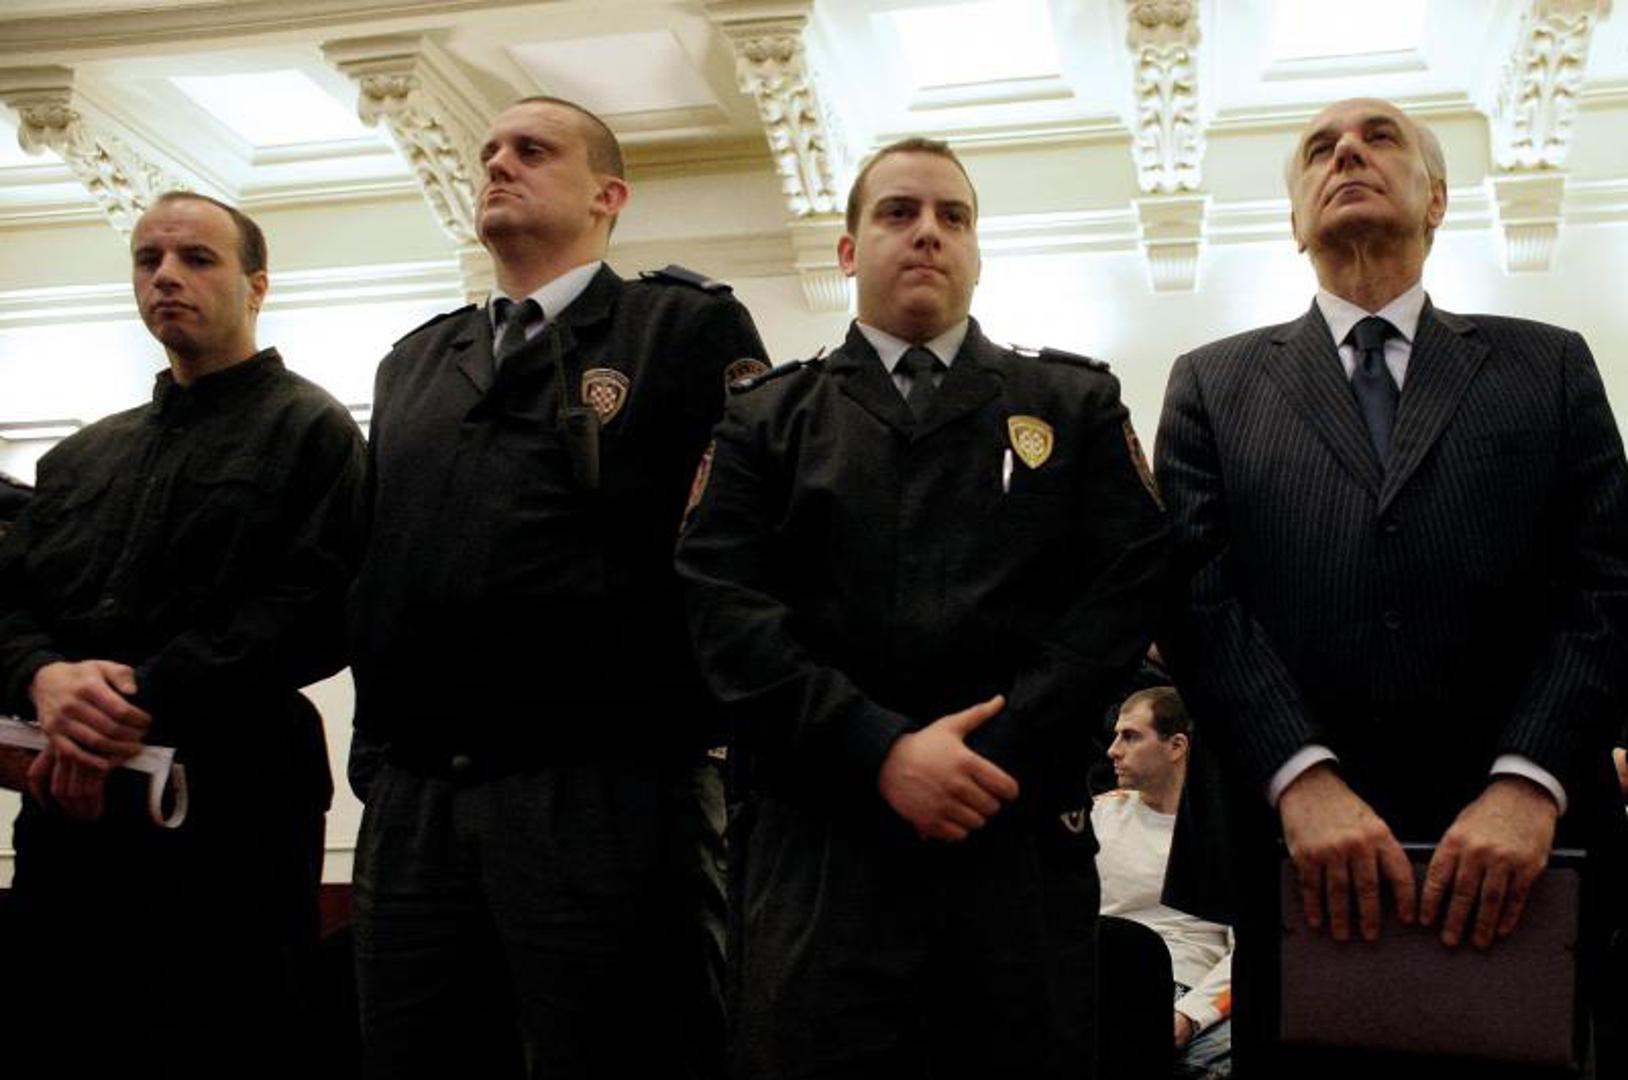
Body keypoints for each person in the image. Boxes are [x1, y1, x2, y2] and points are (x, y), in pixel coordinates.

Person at [677, 136, 1171, 1080]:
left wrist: (995, 750)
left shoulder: (1071, 403)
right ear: (848, 250)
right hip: (824, 841)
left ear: (978, 251)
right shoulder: (765, 419)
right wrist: (881, 750)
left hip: (1013, 830)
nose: (928, 233)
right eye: (898, 213)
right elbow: (723, 611)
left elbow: (1123, 595)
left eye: (954, 216)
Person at [1156, 97, 1628, 1076]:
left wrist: (1527, 780)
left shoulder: (1547, 364)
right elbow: (1198, 602)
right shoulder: (1210, 384)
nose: (1345, 154)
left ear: (1437, 199)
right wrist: (1300, 778)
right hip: (1294, 861)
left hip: (1525, 859)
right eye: (1318, 150)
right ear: (1294, 222)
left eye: (1378, 138)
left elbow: (1609, 583)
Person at [346, 94, 768, 1080]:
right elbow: (376, 564)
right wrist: (378, 760)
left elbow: (739, 550)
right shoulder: (415, 362)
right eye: (490, 151)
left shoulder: (681, 328)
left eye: (531, 151)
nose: (497, 164)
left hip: (605, 795)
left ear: (607, 196)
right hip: (419, 801)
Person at [0, 190, 366, 1078]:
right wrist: (43, 679)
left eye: (197, 259)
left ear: (256, 285)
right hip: (72, 806)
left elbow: (317, 607)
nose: (167, 276)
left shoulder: (311, 429)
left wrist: (129, 698)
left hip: (233, 808)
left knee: (228, 1040)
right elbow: (11, 603)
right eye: (148, 259)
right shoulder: (79, 457)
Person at [1094, 686, 1232, 1080]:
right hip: (1102, 980)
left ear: (1176, 746)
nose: (1113, 751)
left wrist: (1189, 1015)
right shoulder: (1098, 815)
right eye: (1116, 736)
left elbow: (1251, 954)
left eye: (1131, 737)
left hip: (1187, 987)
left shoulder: (1226, 834)